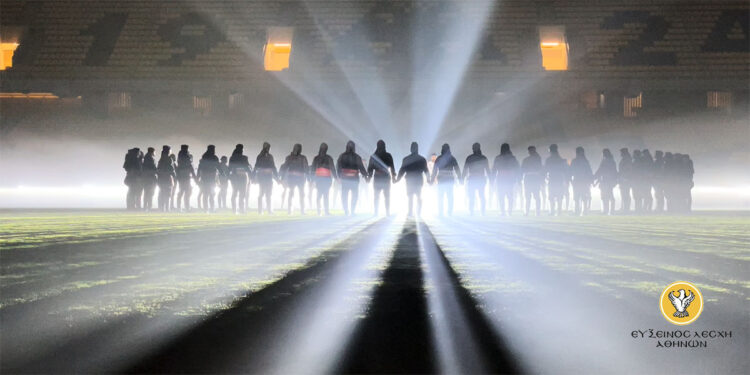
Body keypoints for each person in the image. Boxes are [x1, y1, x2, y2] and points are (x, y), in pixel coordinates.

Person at [396, 142, 430, 217]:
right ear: (417, 149)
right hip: (418, 179)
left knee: (410, 197)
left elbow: (402, 170)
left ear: (411, 149)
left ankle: (410, 212)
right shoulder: (422, 159)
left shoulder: (406, 159)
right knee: (418, 196)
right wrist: (428, 179)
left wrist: (397, 179)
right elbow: (426, 170)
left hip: (410, 180)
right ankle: (418, 212)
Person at [336, 140, 368, 215]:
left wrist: (339, 176)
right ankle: (352, 211)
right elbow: (362, 168)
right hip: (354, 179)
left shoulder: (342, 156)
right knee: (354, 195)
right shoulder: (357, 157)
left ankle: (346, 211)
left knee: (344, 195)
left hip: (345, 179)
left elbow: (338, 167)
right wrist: (366, 175)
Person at [431, 143, 461, 217]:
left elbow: (434, 170)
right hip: (450, 180)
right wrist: (460, 179)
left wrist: (431, 180)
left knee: (440, 197)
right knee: (450, 197)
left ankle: (441, 212)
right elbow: (457, 169)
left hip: (441, 180)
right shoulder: (452, 158)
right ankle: (449, 212)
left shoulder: (438, 159)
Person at [367, 140, 396, 216]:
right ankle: (387, 212)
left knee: (377, 196)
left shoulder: (373, 156)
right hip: (386, 177)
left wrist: (369, 177)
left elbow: (370, 168)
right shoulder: (388, 155)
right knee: (386, 196)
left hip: (377, 177)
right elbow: (392, 167)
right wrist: (393, 177)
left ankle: (376, 212)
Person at [462, 142, 491, 216]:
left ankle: (471, 211)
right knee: (481, 195)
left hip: (472, 179)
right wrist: (491, 179)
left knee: (471, 196)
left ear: (473, 149)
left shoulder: (469, 158)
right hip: (481, 179)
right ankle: (483, 211)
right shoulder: (484, 158)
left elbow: (465, 169)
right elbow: (487, 170)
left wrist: (462, 178)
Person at [492, 143, 521, 216]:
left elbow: (494, 169)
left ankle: (503, 211)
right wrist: (518, 178)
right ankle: (509, 211)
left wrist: (492, 179)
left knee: (502, 196)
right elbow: (517, 169)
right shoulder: (512, 158)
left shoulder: (498, 158)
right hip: (509, 178)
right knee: (509, 195)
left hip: (501, 178)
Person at [311, 142, 337, 215]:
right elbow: (333, 169)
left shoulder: (317, 158)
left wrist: (311, 180)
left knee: (321, 195)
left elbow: (313, 170)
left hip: (322, 179)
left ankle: (321, 211)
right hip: (325, 179)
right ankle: (324, 211)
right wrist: (336, 178)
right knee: (324, 195)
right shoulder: (328, 158)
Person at [283, 143, 309, 214]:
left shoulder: (303, 158)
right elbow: (285, 167)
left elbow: (306, 168)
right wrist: (282, 177)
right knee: (292, 193)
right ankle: (290, 210)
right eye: (298, 148)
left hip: (300, 178)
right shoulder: (289, 157)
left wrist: (309, 178)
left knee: (301, 194)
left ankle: (302, 210)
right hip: (293, 178)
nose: (299, 150)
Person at [255, 142, 279, 214]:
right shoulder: (269, 156)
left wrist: (253, 176)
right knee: (267, 194)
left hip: (262, 177)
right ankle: (268, 210)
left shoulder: (259, 156)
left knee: (262, 194)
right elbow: (273, 167)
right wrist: (277, 178)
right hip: (267, 177)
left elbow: (256, 167)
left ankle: (260, 210)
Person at [545, 144, 568, 216]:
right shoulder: (561, 160)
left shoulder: (548, 160)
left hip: (552, 179)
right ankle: (559, 211)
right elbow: (566, 170)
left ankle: (552, 211)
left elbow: (545, 169)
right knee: (559, 196)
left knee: (552, 196)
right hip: (560, 179)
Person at [570, 146, 594, 216]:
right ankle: (584, 211)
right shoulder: (585, 161)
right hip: (584, 181)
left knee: (577, 197)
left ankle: (577, 211)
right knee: (583, 196)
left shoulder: (574, 161)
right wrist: (591, 180)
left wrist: (570, 179)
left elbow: (570, 171)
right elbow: (589, 171)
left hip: (577, 180)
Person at [594, 148, 618, 215]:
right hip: (609, 181)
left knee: (605, 196)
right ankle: (610, 210)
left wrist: (594, 177)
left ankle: (606, 210)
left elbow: (600, 171)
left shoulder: (605, 161)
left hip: (605, 181)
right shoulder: (612, 161)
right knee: (609, 196)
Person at [521, 146, 544, 216]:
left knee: (528, 196)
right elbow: (541, 169)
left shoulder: (526, 160)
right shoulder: (538, 159)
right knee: (536, 196)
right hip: (535, 178)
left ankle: (527, 212)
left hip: (528, 178)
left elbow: (522, 169)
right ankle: (537, 212)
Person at [229, 144, 252, 214]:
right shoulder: (244, 158)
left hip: (234, 177)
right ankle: (241, 210)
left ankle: (234, 210)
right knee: (242, 194)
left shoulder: (232, 157)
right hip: (242, 177)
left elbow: (229, 168)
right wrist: (251, 176)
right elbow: (247, 168)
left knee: (234, 193)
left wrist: (228, 176)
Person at [197, 145, 220, 213]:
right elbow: (218, 166)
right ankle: (212, 208)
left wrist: (198, 177)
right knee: (212, 194)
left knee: (205, 194)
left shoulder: (204, 157)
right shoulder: (215, 158)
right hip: (212, 178)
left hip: (204, 178)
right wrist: (222, 173)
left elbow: (199, 168)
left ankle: (205, 209)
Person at [175, 145, 196, 212]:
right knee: (187, 192)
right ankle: (187, 207)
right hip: (186, 177)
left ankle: (179, 207)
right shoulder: (187, 157)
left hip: (181, 177)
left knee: (181, 192)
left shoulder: (180, 156)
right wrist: (195, 178)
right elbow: (190, 167)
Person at [156, 145, 176, 212]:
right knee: (167, 194)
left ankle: (161, 208)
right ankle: (167, 209)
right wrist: (174, 176)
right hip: (167, 179)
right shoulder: (169, 159)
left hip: (160, 179)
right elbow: (172, 170)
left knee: (161, 193)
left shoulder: (160, 159)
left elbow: (158, 169)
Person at [618, 148, 633, 213]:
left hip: (625, 179)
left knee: (625, 194)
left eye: (621, 152)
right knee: (624, 194)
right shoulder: (626, 159)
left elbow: (627, 170)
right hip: (624, 178)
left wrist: (624, 177)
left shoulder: (627, 160)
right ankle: (624, 207)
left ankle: (626, 208)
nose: (620, 154)